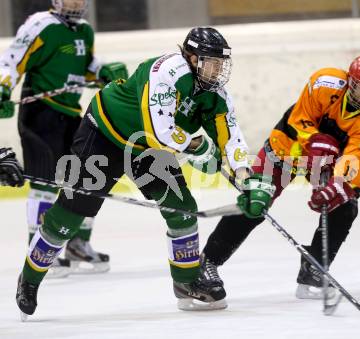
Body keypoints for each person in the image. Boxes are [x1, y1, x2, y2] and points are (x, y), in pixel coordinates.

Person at [15, 26, 274, 317]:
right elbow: (160, 131)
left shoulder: (215, 94)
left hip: (146, 150)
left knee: (182, 207)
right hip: (105, 133)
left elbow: (232, 136)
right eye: (211, 62)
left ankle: (187, 281)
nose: (218, 70)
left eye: (221, 63)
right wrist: (198, 146)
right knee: (74, 211)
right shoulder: (166, 72)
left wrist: (245, 178)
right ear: (190, 58)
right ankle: (30, 277)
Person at [199, 54, 360, 300]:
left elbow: (355, 165)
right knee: (255, 200)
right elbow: (298, 119)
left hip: (328, 164)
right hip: (286, 147)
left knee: (344, 207)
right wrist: (314, 139)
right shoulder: (325, 83)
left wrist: (335, 188)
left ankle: (314, 270)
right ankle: (207, 262)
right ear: (350, 80)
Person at [0, 0, 128, 277]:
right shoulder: (40, 25)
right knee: (44, 181)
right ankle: (37, 246)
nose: (75, 4)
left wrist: (102, 71)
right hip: (40, 113)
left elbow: (86, 65)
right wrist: (3, 86)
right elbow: (12, 60)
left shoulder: (84, 30)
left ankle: (78, 244)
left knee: (85, 178)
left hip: (71, 113)